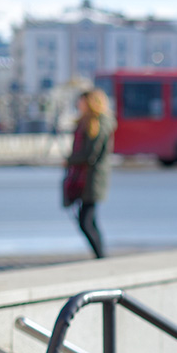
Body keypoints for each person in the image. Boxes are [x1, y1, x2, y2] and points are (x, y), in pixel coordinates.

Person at [65, 88, 114, 259]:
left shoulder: (100, 123)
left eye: (82, 102)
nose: (79, 105)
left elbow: (92, 154)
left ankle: (101, 256)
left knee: (86, 220)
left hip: (92, 178)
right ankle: (100, 255)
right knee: (89, 220)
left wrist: (71, 160)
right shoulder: (84, 122)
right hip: (83, 177)